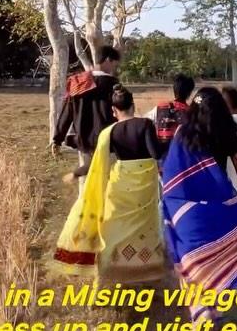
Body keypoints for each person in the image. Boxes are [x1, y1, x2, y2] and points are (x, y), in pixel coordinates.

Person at [161, 86, 237, 319]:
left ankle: (200, 309)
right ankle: (211, 305)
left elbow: (171, 173)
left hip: (188, 208)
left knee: (191, 257)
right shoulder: (227, 132)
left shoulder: (183, 134)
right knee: (219, 253)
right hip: (219, 204)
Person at [53, 85, 167, 283]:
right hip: (143, 191)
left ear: (114, 111)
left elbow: (95, 162)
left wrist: (75, 173)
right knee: (142, 230)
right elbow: (156, 153)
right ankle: (141, 272)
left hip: (120, 187)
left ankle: (106, 272)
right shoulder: (145, 125)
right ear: (133, 105)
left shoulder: (109, 132)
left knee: (113, 231)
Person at [51, 45, 120, 188]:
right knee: (106, 182)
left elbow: (67, 113)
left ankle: (84, 206)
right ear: (107, 60)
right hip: (107, 141)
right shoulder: (114, 85)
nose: (113, 69)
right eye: (114, 64)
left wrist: (57, 139)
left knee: (86, 181)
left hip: (83, 141)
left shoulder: (78, 82)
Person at [145, 73, 195, 159]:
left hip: (163, 156)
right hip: (182, 157)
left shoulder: (159, 107)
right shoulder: (191, 112)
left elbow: (145, 122)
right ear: (189, 93)